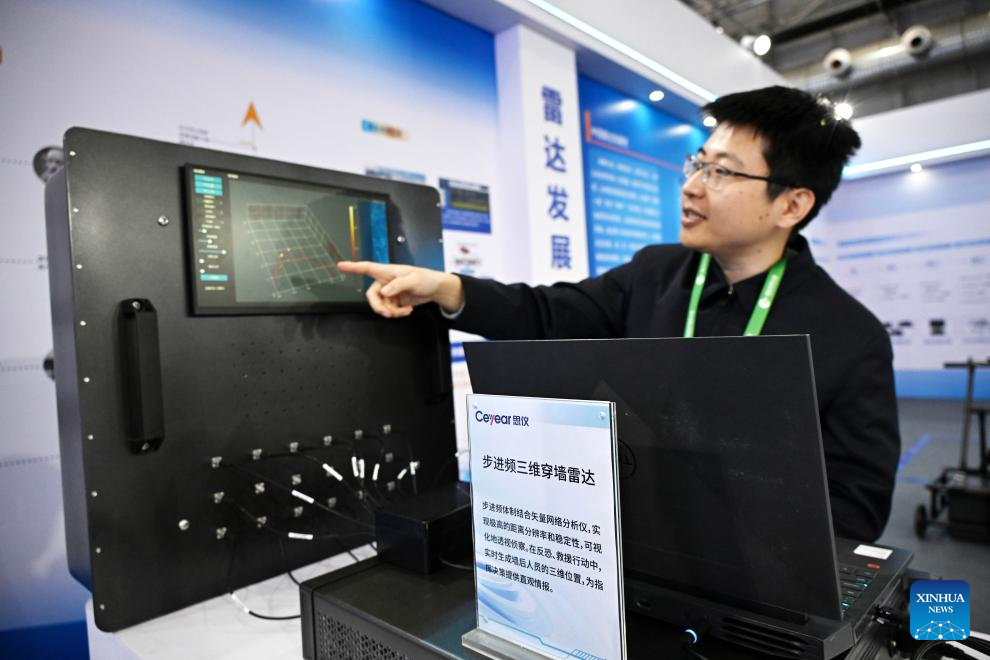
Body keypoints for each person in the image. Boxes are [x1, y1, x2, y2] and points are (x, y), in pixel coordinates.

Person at [338, 86, 899, 543]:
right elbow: (549, 313)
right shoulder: (655, 273)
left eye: (722, 173)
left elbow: (856, 508)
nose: (692, 187)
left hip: (757, 581)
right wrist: (447, 288)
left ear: (792, 204)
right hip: (631, 549)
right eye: (698, 164)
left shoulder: (850, 337)